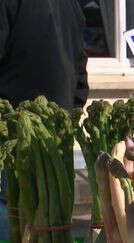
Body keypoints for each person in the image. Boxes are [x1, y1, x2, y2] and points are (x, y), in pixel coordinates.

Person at [0, 0, 89, 240]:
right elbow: (80, 67)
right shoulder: (71, 4)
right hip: (56, 132)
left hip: (12, 129)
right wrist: (71, 112)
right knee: (50, 214)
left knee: (12, 209)